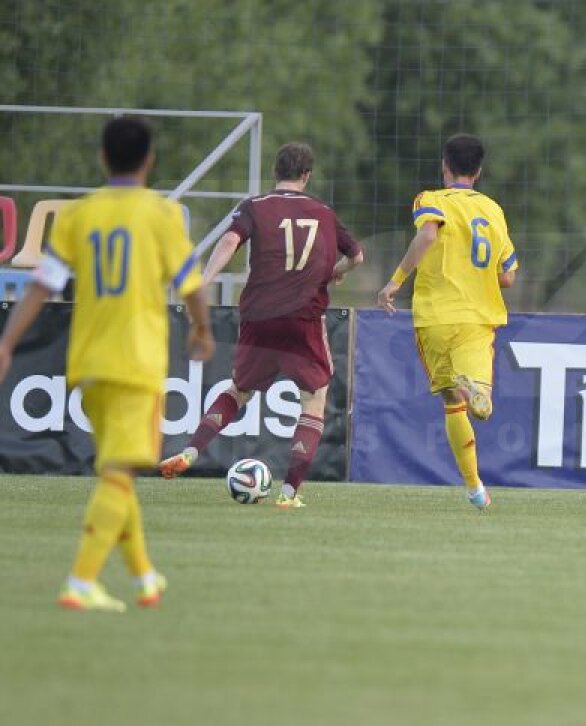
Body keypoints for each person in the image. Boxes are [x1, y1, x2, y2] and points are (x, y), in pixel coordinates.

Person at [0, 116, 213, 611]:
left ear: (102, 157)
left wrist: (8, 342)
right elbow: (193, 285)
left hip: (88, 363)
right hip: (135, 363)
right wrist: (202, 330)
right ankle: (80, 582)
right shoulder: (160, 215)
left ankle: (145, 578)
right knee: (121, 473)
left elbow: (41, 285)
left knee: (117, 473)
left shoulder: (78, 215)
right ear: (150, 160)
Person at [158, 142, 365, 509]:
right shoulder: (323, 212)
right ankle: (289, 493)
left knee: (239, 390)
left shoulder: (255, 206)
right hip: (303, 318)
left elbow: (229, 240)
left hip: (258, 315)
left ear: (275, 172)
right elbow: (358, 256)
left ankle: (191, 451)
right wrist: (336, 272)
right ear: (307, 175)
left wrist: (204, 283)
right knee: (314, 398)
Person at [376, 134, 518, 510]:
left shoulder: (431, 200)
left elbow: (427, 234)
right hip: (477, 316)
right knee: (474, 392)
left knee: (452, 403)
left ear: (445, 166)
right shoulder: (493, 209)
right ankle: (482, 394)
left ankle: (475, 489)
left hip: (436, 315)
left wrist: (395, 281)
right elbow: (508, 276)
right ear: (480, 171)